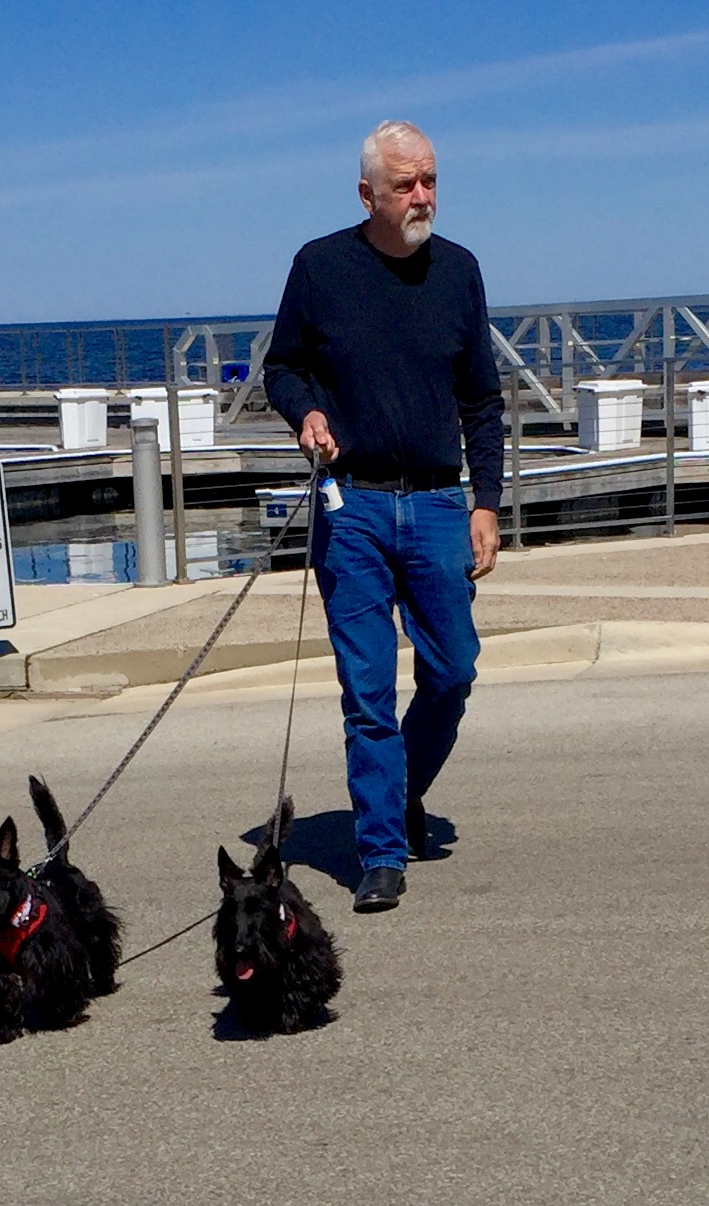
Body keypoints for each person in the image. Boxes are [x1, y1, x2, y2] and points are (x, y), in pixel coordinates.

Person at [263, 119, 504, 914]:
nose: (422, 196)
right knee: (366, 694)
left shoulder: (458, 270)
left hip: (437, 503)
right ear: (367, 194)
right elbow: (282, 367)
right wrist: (305, 414)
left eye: (430, 180)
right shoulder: (319, 266)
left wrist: (486, 501)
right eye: (405, 185)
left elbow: (482, 400)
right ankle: (379, 853)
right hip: (353, 507)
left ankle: (400, 793)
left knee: (452, 672)